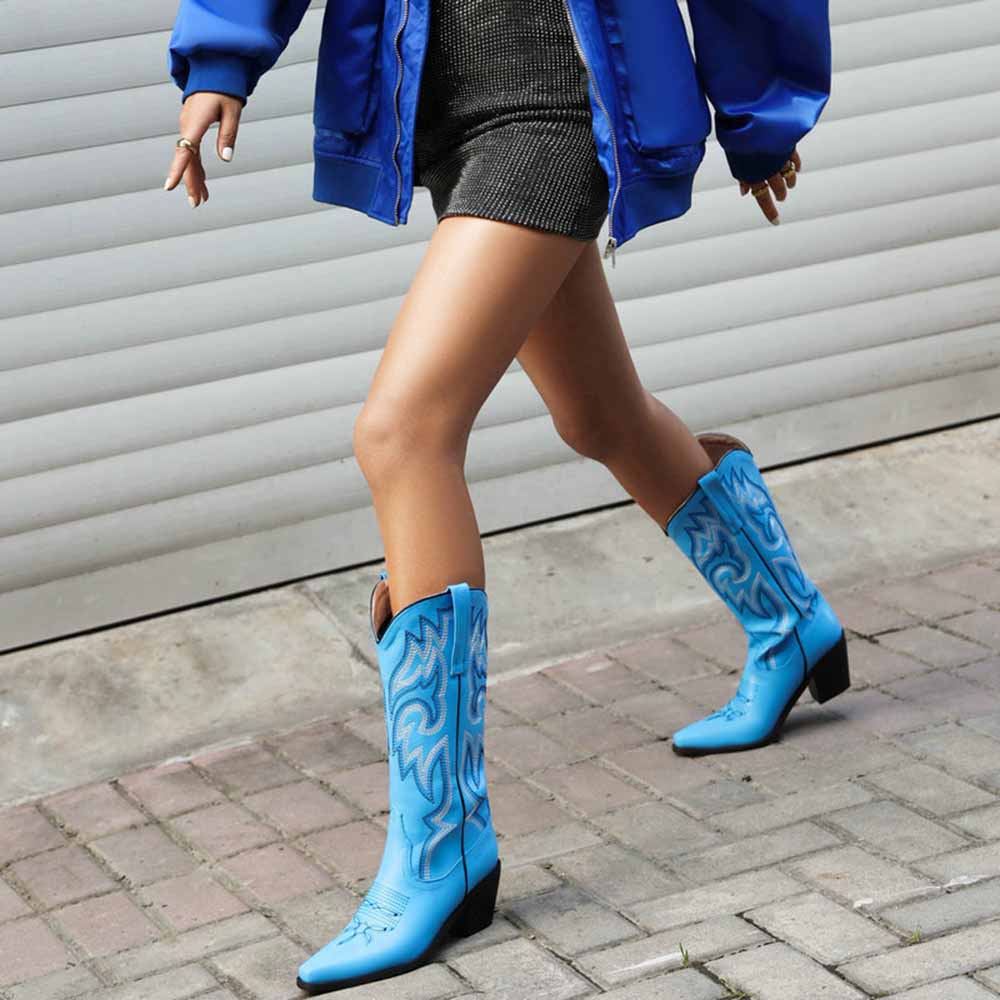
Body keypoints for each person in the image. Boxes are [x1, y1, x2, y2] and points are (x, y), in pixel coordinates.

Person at [165, 0, 842, 992]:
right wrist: (222, 57)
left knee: (401, 433)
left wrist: (759, 108)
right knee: (599, 416)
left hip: (558, 102)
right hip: (438, 111)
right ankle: (789, 621)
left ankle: (443, 848)